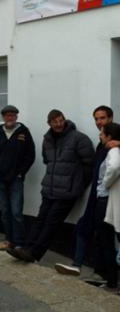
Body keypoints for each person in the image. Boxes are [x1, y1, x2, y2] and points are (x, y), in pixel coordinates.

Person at [7, 109, 95, 263]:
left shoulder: (79, 139)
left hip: (67, 192)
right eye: (55, 122)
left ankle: (34, 254)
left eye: (61, 120)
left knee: (51, 224)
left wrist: (78, 185)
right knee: (40, 220)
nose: (59, 124)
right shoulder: (47, 139)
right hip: (49, 189)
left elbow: (90, 165)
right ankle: (25, 249)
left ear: (64, 120)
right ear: (49, 123)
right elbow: (47, 161)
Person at [54, 106, 113, 276]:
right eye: (96, 119)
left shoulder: (114, 141)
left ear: (110, 118)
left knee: (105, 236)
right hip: (96, 195)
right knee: (85, 227)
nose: (98, 122)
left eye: (102, 118)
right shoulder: (101, 143)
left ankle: (105, 275)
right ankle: (82, 266)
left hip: (108, 197)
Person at [0, 105, 35, 251]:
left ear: (16, 117)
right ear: (3, 117)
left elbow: (30, 155)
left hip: (16, 179)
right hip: (0, 178)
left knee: (16, 212)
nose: (9, 117)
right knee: (5, 211)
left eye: (12, 115)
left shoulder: (23, 132)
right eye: (7, 115)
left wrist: (21, 173)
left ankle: (19, 243)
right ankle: (8, 240)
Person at [93, 122, 120, 292]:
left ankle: (111, 282)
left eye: (102, 134)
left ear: (109, 136)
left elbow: (115, 167)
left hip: (106, 200)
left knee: (107, 240)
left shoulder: (114, 150)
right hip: (109, 199)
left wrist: (105, 183)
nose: (100, 136)